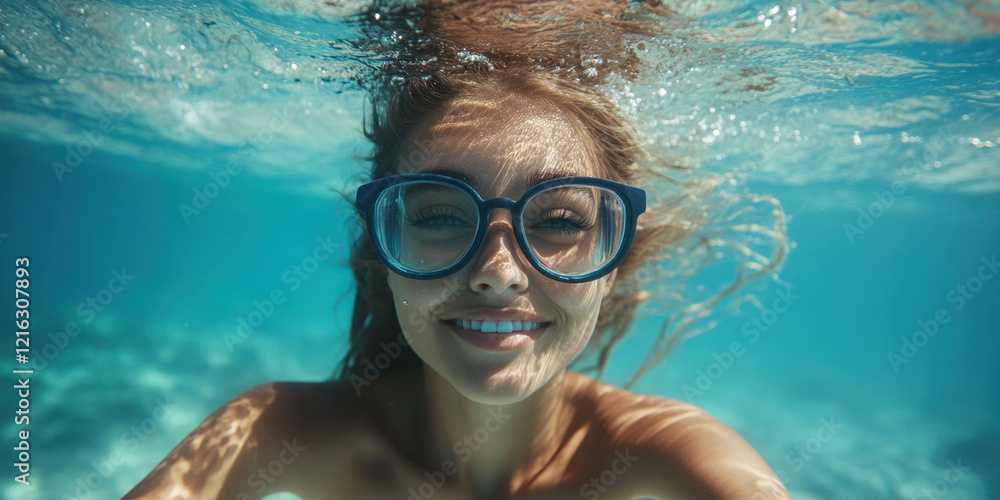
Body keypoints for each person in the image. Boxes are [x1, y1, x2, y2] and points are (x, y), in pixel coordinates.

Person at [125, 2, 789, 499]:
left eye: (558, 221)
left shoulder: (666, 452)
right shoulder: (279, 429)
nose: (499, 273)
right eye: (441, 216)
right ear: (382, 253)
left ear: (615, 259)